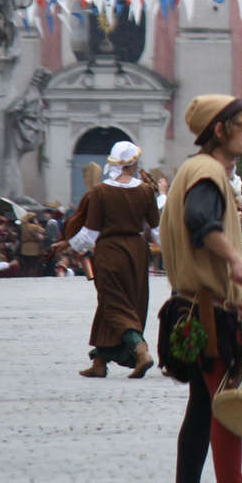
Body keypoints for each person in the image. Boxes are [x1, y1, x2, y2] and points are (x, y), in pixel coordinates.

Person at [155, 95, 242, 483]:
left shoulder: (197, 170)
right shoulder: (206, 172)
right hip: (206, 311)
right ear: (221, 130)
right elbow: (199, 222)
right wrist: (235, 260)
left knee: (204, 407)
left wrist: (235, 288)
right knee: (225, 404)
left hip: (199, 303)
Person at [73, 141, 161, 377]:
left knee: (113, 305)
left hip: (109, 252)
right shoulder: (145, 190)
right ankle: (99, 362)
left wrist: (71, 245)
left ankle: (140, 350)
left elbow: (90, 233)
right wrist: (172, 253)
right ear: (133, 164)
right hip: (136, 253)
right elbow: (157, 230)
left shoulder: (101, 190)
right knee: (117, 304)